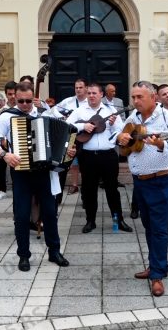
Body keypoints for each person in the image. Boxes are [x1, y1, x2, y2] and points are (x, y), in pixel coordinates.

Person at [0, 81, 71, 271]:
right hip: (21, 172)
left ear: (33, 98)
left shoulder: (44, 113)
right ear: (14, 99)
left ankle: (54, 251)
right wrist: (5, 154)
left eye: (28, 101)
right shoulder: (6, 117)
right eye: (21, 101)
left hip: (45, 172)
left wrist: (68, 150)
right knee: (22, 215)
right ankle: (23, 255)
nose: (25, 105)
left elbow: (66, 134)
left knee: (50, 213)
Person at [117, 80, 168, 297]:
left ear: (153, 97)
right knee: (147, 225)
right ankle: (154, 265)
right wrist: (122, 138)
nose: (135, 101)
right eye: (133, 97)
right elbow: (120, 141)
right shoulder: (132, 118)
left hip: (160, 180)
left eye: (139, 97)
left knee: (160, 229)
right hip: (139, 181)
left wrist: (162, 144)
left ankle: (158, 275)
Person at [66, 83, 133, 234]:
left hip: (108, 156)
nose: (91, 96)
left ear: (101, 94)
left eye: (94, 93)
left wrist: (114, 125)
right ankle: (90, 221)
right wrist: (83, 127)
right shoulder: (80, 111)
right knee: (89, 190)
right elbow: (67, 125)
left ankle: (118, 220)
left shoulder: (111, 111)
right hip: (88, 156)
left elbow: (120, 133)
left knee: (112, 190)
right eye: (89, 93)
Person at [55, 78, 89, 194]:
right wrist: (63, 118)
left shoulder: (90, 103)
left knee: (85, 168)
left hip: (85, 138)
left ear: (86, 88)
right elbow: (54, 110)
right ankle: (58, 198)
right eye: (76, 88)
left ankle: (85, 198)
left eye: (81, 87)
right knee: (63, 167)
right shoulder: (68, 101)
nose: (78, 90)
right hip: (70, 138)